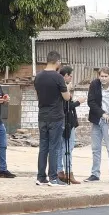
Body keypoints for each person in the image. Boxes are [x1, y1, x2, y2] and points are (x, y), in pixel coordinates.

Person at [33, 52, 69, 186]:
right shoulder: (58, 77)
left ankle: (41, 177)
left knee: (43, 147)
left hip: (42, 115)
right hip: (56, 116)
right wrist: (69, 90)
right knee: (54, 147)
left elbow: (37, 96)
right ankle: (53, 178)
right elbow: (66, 97)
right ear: (57, 62)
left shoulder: (38, 77)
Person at [58, 65, 81, 183]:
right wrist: (78, 102)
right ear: (65, 75)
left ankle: (60, 171)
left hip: (67, 121)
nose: (71, 77)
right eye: (70, 75)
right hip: (66, 122)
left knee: (61, 147)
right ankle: (68, 172)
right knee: (67, 148)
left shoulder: (61, 87)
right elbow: (66, 107)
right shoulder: (62, 88)